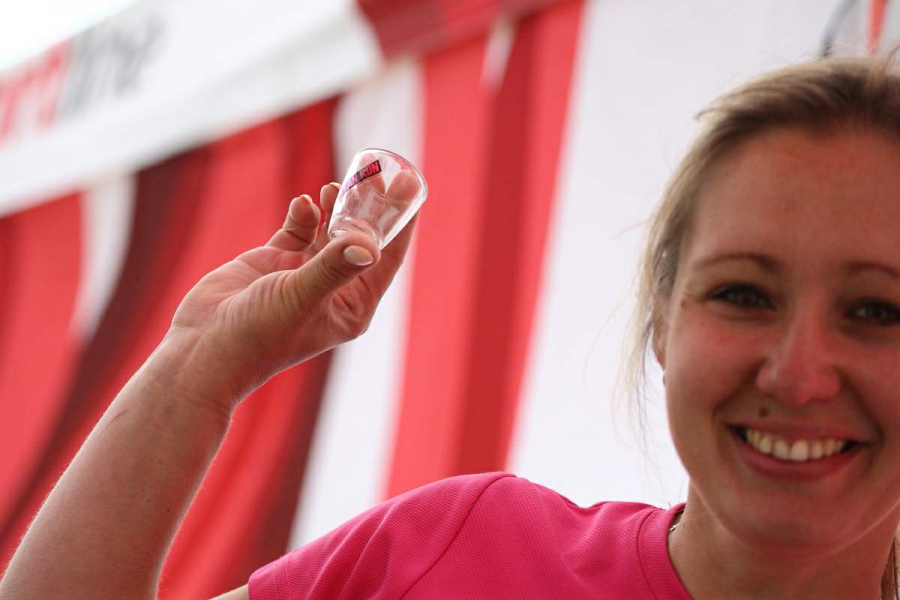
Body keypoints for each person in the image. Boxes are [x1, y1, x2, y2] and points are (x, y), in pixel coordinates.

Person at [3, 53, 900, 600]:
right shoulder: (460, 552)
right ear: (662, 321)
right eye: (744, 294)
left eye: (877, 311)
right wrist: (201, 363)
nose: (799, 372)